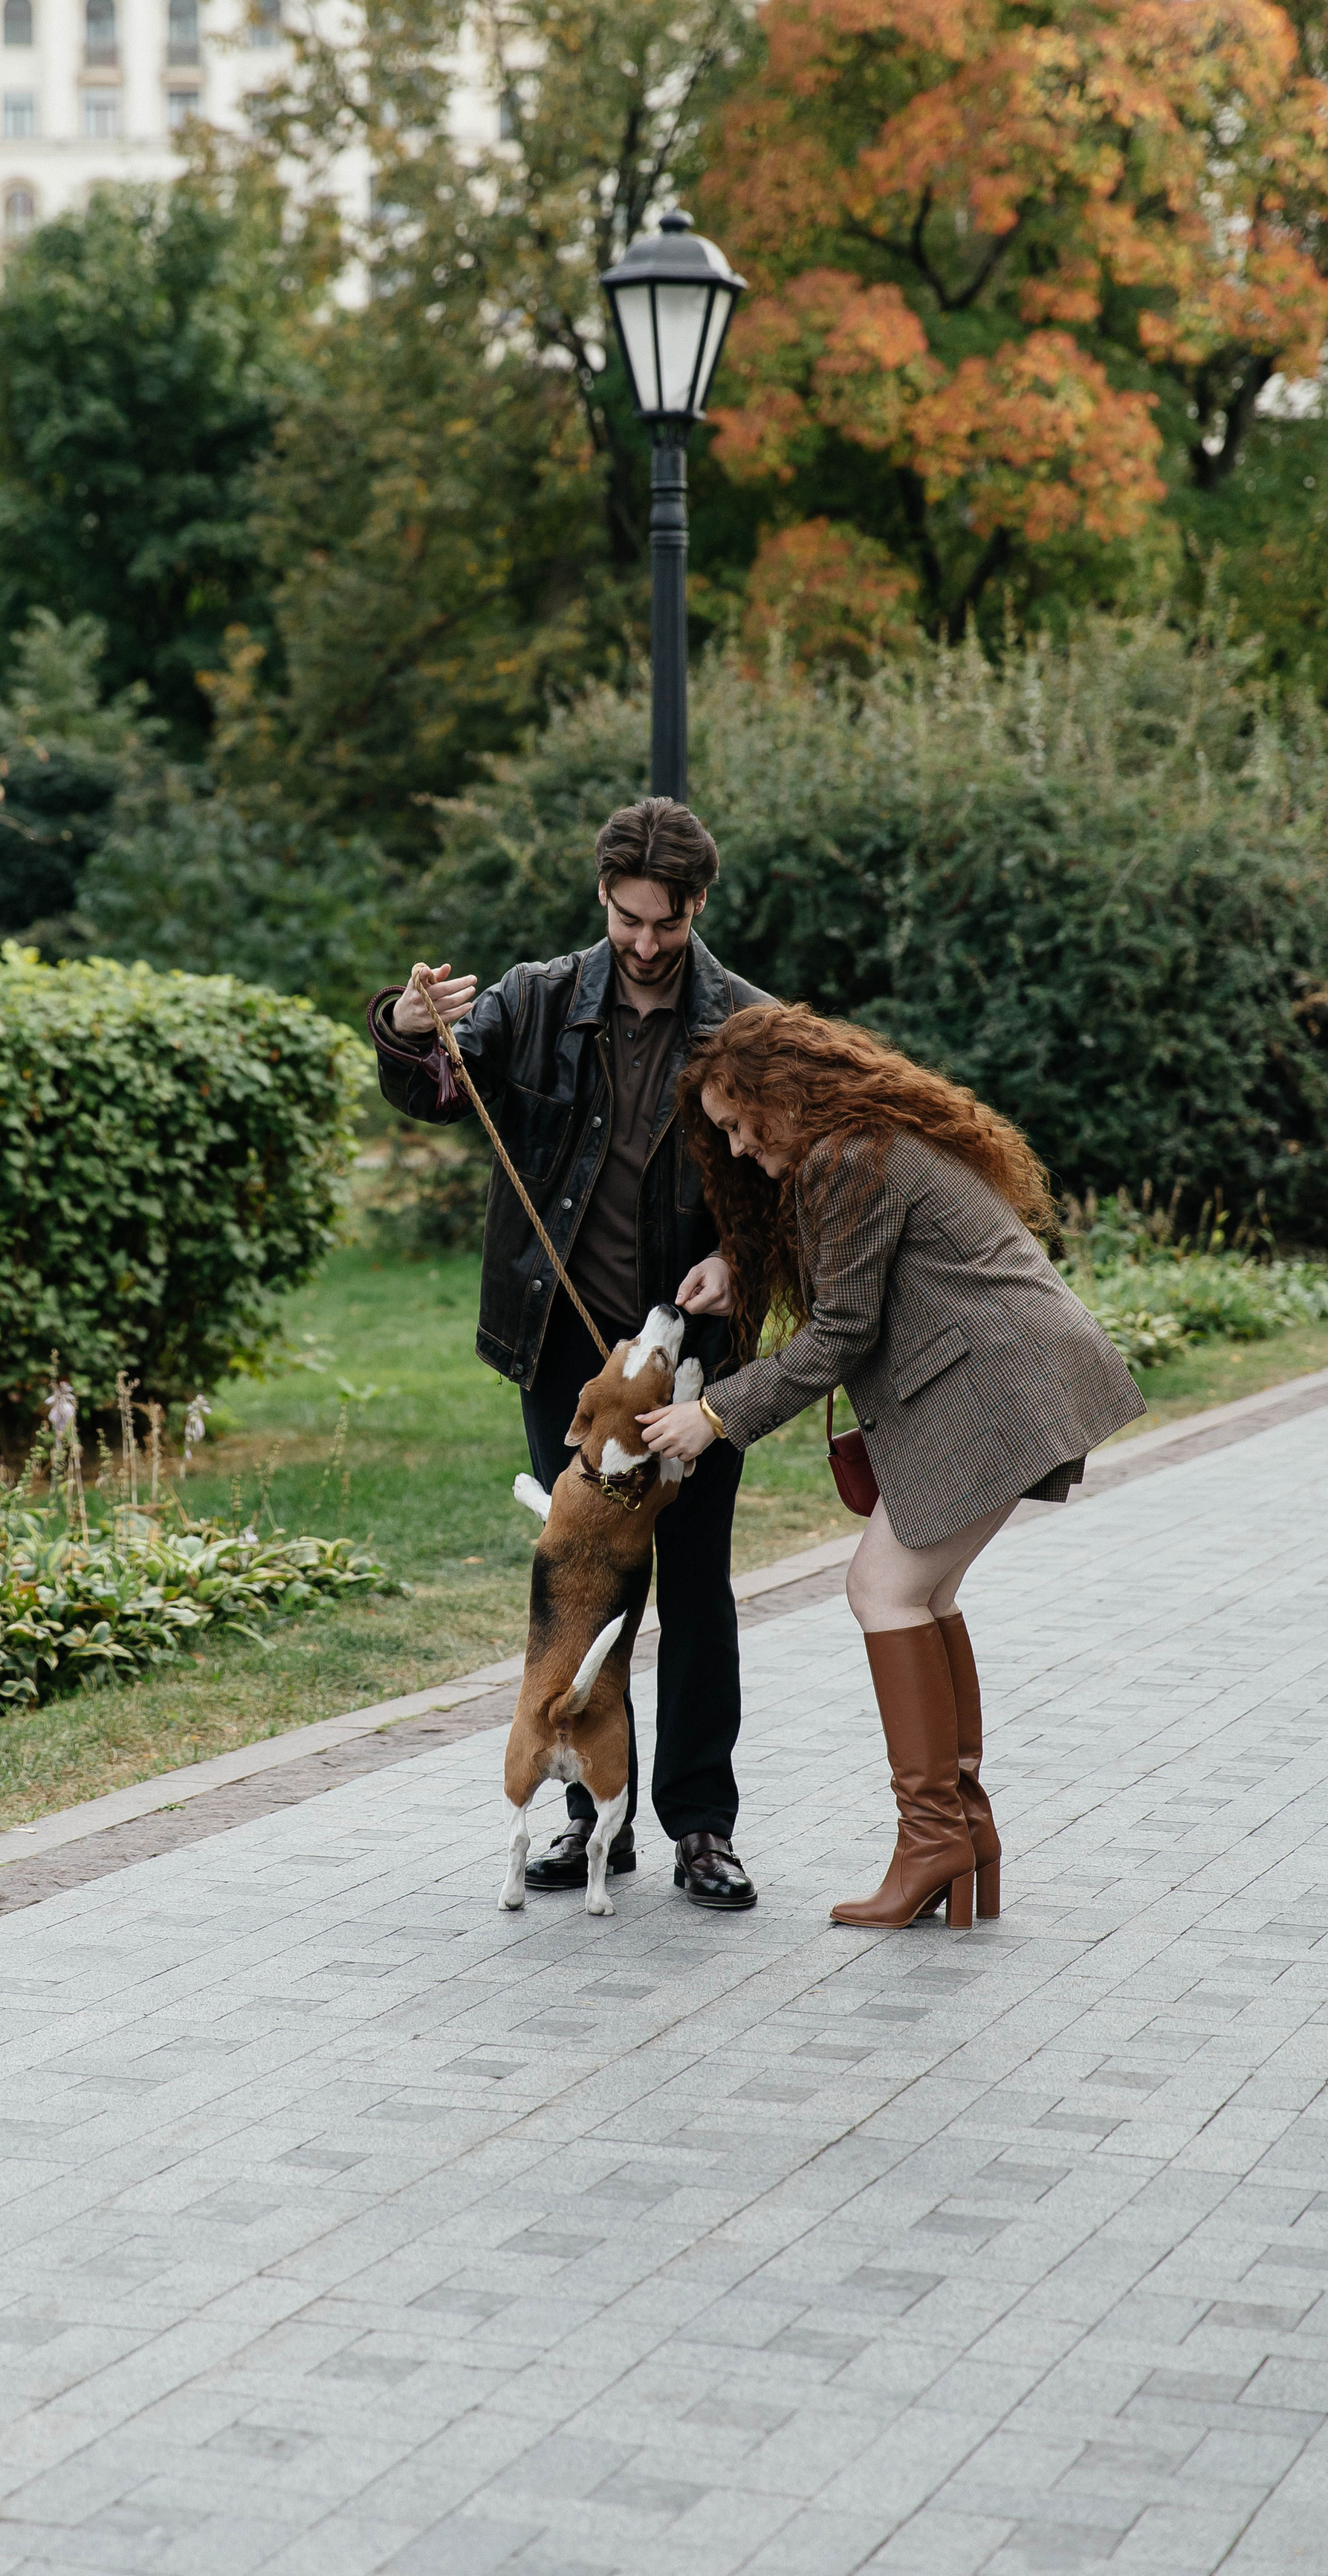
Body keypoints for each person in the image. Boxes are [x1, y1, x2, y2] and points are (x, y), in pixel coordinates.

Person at [638, 1003, 1144, 1930]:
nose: (740, 1147)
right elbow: (854, 1277)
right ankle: (961, 1835)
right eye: (725, 1133)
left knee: (882, 1589)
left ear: (784, 1095)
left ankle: (935, 1841)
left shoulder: (847, 1157)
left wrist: (712, 1415)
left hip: (992, 1382)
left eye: (743, 1123)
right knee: (922, 1594)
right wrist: (740, 1271)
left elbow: (841, 1329)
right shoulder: (865, 1143)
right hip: (1010, 1371)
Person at [369, 797, 773, 1909]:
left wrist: (738, 1259)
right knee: (586, 1593)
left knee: (694, 1585)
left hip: (695, 1360)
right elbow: (437, 1088)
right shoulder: (536, 998)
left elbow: (787, 1179)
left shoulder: (746, 1023)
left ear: (699, 903)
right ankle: (598, 1818)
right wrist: (407, 1025)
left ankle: (702, 1826)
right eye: (627, 918)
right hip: (565, 1356)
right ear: (603, 896)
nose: (644, 943)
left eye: (666, 923)